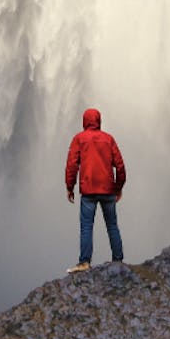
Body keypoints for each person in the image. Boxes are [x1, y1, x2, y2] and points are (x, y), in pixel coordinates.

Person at [65, 107, 126, 273]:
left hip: (88, 191)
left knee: (86, 227)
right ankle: (118, 259)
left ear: (84, 121)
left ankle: (84, 262)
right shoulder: (108, 139)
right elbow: (120, 165)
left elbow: (72, 165)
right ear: (99, 121)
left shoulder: (79, 139)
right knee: (112, 225)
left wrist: (70, 187)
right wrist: (118, 187)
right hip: (108, 190)